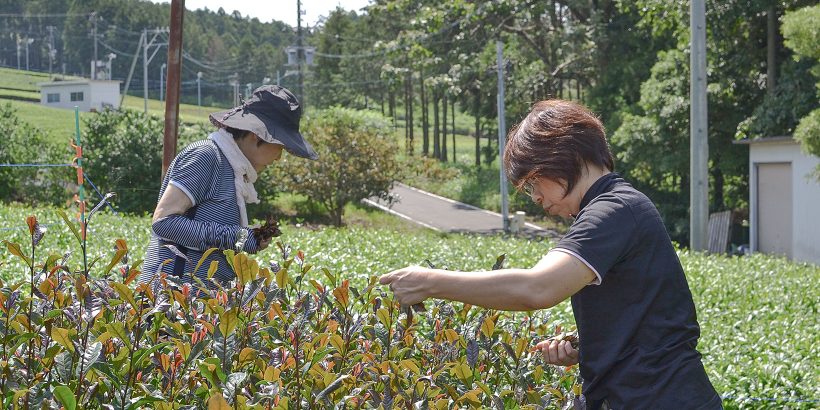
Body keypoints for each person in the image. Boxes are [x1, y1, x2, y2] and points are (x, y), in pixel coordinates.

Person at [380, 100, 721, 409]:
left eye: (532, 183)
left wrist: (430, 281)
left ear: (562, 157)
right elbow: (643, 316)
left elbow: (537, 288)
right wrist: (585, 345)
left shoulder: (614, 210)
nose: (536, 199)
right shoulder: (616, 208)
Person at [139, 85, 318, 287]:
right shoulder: (206, 157)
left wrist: (250, 237)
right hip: (170, 301)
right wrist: (239, 236)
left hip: (201, 308)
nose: (279, 157)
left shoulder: (233, 171)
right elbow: (164, 222)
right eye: (280, 147)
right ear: (257, 135)